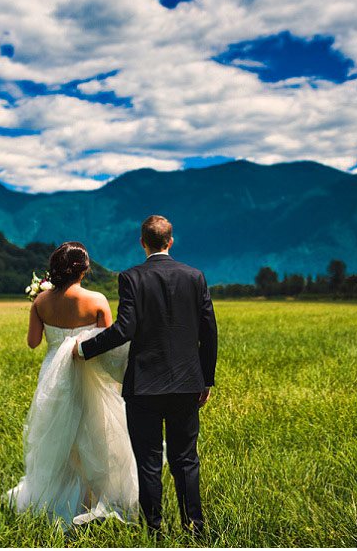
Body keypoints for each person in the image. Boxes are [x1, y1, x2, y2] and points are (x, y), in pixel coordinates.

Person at [75, 215, 218, 536]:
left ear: (143, 243)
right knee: (186, 459)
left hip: (144, 387)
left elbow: (125, 328)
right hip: (186, 384)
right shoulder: (195, 276)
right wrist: (206, 379)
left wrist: (86, 349)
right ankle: (194, 527)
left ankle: (153, 529)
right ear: (170, 241)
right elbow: (209, 331)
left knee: (149, 461)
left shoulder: (131, 277)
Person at [4, 242, 139, 528]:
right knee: (97, 438)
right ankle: (94, 501)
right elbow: (111, 350)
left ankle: (59, 499)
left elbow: (32, 343)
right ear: (84, 269)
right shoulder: (97, 300)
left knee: (58, 438)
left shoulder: (40, 302)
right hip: (91, 378)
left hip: (54, 379)